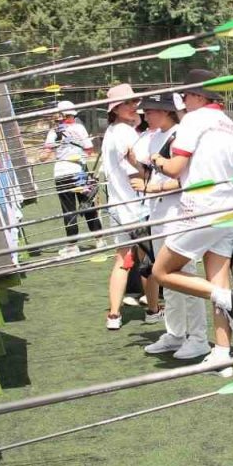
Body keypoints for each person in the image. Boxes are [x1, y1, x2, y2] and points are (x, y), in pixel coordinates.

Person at [150, 68, 233, 378]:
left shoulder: (193, 120)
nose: (182, 101)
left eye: (185, 95)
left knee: (161, 272)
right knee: (218, 280)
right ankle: (221, 354)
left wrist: (157, 160)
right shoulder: (232, 126)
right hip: (230, 209)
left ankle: (226, 298)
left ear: (196, 96)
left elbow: (176, 166)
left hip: (199, 211)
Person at [132, 95, 210, 360]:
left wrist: (153, 187)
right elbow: (149, 170)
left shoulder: (181, 136)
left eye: (152, 111)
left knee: (185, 275)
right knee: (164, 275)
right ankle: (175, 334)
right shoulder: (154, 137)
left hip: (178, 213)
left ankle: (198, 337)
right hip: (158, 213)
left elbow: (189, 180)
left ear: (167, 113)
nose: (147, 116)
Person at [99, 83, 143, 330]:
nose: (132, 107)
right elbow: (138, 166)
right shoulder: (125, 133)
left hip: (118, 206)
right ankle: (153, 309)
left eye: (133, 102)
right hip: (134, 207)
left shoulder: (113, 132)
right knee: (145, 259)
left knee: (124, 260)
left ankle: (114, 314)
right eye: (126, 103)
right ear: (114, 109)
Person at [39, 102, 102, 255]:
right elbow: (89, 149)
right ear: (72, 115)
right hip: (79, 172)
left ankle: (72, 246)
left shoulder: (54, 131)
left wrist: (44, 155)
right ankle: (99, 240)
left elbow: (44, 156)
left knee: (69, 210)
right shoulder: (79, 128)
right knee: (88, 205)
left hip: (61, 173)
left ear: (61, 115)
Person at [128, 103, 167, 325]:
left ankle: (153, 305)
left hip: (151, 206)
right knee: (149, 261)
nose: (144, 117)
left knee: (150, 260)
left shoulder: (153, 137)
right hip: (145, 207)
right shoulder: (144, 139)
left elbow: (148, 173)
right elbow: (146, 173)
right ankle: (153, 308)